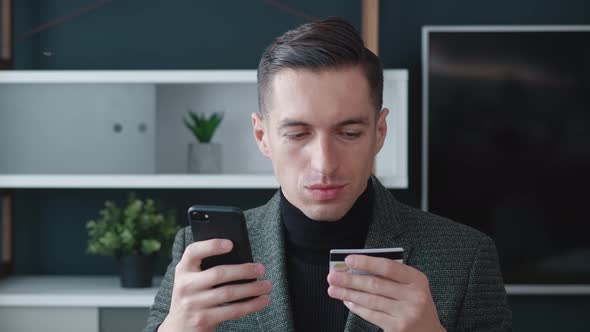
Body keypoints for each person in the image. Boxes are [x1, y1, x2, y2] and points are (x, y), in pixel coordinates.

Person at [145, 17, 512, 332]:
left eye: (349, 133)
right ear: (263, 136)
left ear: (379, 133)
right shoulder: (196, 251)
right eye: (298, 134)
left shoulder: (467, 257)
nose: (324, 164)